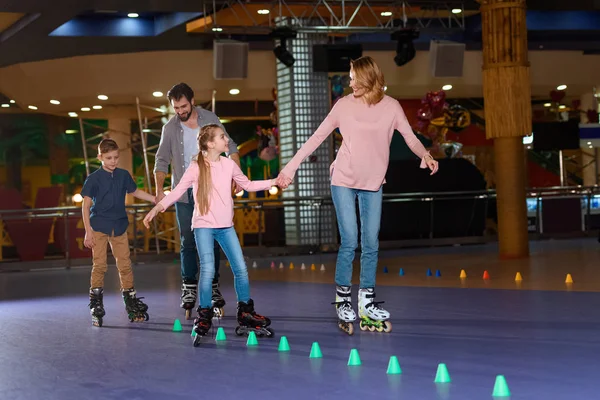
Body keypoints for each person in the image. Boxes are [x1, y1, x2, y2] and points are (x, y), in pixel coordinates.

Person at [276, 56, 439, 335]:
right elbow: (316, 138)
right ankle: (342, 301)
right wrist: (290, 168)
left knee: (371, 242)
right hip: (343, 180)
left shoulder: (391, 107)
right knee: (350, 240)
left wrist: (425, 154)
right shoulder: (343, 106)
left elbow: (410, 136)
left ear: (367, 78)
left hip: (373, 182)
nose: (349, 82)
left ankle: (366, 302)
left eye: (353, 77)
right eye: (349, 77)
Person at [144, 124, 274, 344]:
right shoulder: (196, 166)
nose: (227, 140)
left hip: (226, 226)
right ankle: (204, 315)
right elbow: (177, 191)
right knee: (208, 270)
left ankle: (245, 312)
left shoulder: (229, 164)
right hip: (204, 225)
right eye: (223, 137)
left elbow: (248, 184)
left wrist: (275, 181)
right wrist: (157, 208)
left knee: (241, 268)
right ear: (211, 143)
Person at [154, 83, 241, 319]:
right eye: (176, 108)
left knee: (213, 239)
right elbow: (161, 161)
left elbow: (230, 145)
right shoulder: (169, 128)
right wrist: (159, 191)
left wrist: (236, 175)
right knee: (187, 241)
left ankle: (212, 286)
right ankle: (189, 287)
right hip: (184, 193)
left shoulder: (209, 118)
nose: (180, 111)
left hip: (210, 191)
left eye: (183, 106)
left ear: (192, 101)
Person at [82, 138, 156, 327]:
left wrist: (155, 199)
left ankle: (131, 303)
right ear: (100, 157)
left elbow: (135, 191)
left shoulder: (123, 175)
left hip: (119, 226)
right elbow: (86, 205)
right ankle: (96, 304)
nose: (113, 161)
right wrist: (88, 231)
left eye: (115, 157)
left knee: (125, 265)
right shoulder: (93, 178)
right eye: (108, 158)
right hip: (98, 227)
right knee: (99, 265)